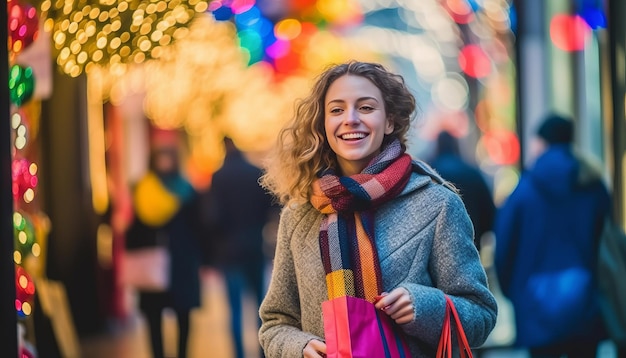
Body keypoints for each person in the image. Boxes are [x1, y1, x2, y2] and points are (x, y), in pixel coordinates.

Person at [257, 60, 498, 357]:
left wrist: (424, 306)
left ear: (390, 121)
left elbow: (481, 315)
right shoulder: (298, 215)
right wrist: (299, 347)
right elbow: (275, 323)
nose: (350, 119)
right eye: (336, 110)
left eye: (366, 108)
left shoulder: (438, 204)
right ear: (323, 124)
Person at [493, 114, 611, 358]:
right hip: (586, 302)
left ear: (541, 143)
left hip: (536, 306)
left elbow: (504, 247)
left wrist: (513, 292)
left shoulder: (525, 190)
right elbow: (606, 243)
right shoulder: (593, 184)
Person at [201, 136, 278, 358]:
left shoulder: (218, 177)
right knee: (260, 308)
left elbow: (213, 218)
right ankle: (263, 352)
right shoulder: (254, 172)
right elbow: (270, 208)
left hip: (229, 252)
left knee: (234, 309)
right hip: (254, 246)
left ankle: (239, 354)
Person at [125, 142, 203, 358]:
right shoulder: (143, 190)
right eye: (161, 157)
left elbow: (199, 227)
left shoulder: (188, 190)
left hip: (182, 263)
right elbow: (133, 231)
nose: (165, 162)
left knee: (184, 316)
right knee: (153, 318)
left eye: (168, 157)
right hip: (153, 262)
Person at [429, 130, 496, 251]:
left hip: (437, 249)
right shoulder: (472, 173)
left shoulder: (428, 175)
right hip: (471, 243)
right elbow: (489, 215)